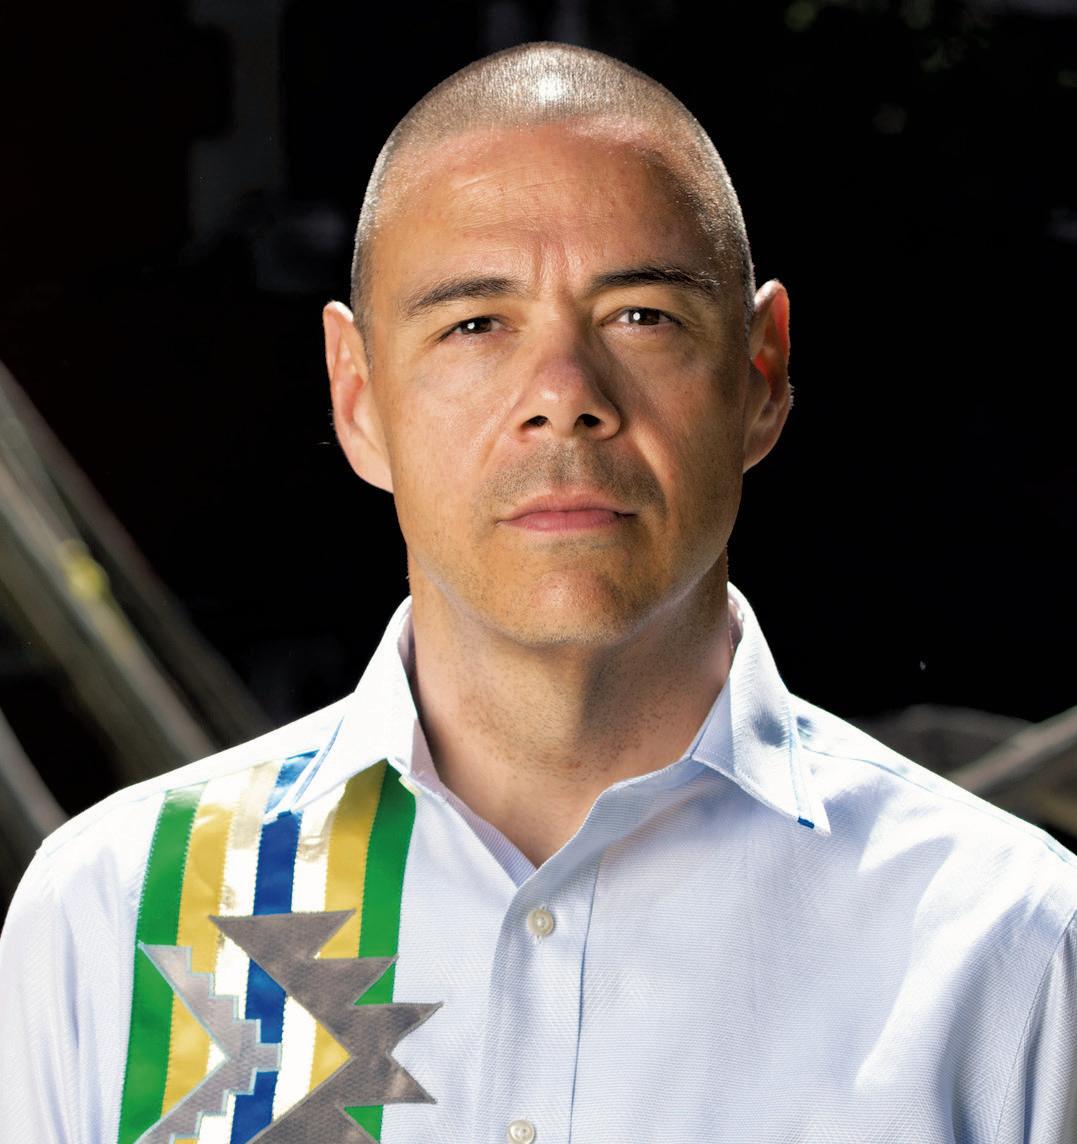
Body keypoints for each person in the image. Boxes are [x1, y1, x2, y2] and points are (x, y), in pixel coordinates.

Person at [1, 41, 1074, 1144]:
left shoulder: (1007, 944)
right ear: (357, 397)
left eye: (641, 316)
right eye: (475, 324)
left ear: (760, 375)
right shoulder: (113, 914)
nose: (563, 396)